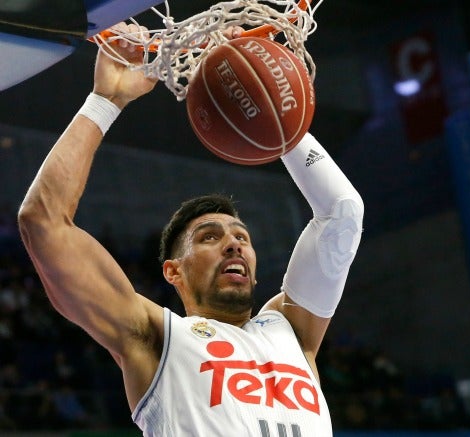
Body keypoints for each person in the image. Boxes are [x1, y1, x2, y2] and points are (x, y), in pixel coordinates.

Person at [16, 23, 363, 436]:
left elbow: (342, 212)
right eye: (210, 237)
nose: (234, 244)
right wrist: (106, 101)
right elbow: (44, 222)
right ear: (173, 271)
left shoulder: (291, 330)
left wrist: (277, 123)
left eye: (242, 237)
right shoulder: (156, 336)